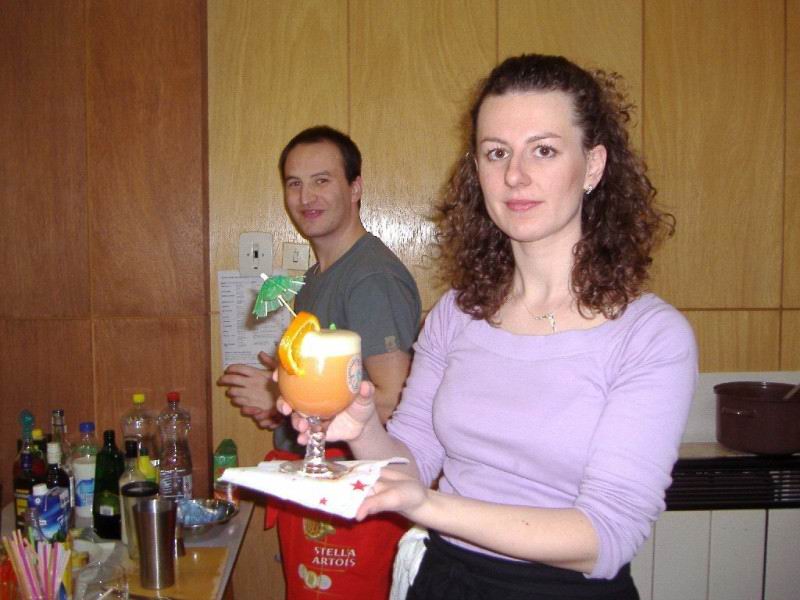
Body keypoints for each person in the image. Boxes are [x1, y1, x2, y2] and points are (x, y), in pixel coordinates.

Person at [280, 55, 698, 599]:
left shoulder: (650, 336)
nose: (515, 175)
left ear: (593, 166)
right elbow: (412, 462)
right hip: (444, 580)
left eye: (543, 150)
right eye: (496, 152)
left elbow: (606, 535)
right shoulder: (457, 314)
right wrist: (360, 428)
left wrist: (429, 506)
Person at [218, 125, 422, 599]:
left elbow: (393, 402)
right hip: (325, 490)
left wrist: (277, 395)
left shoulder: (370, 279)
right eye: (294, 183)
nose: (306, 197)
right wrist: (285, 396)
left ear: (355, 187)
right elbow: (337, 385)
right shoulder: (316, 277)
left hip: (355, 500)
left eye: (322, 180)